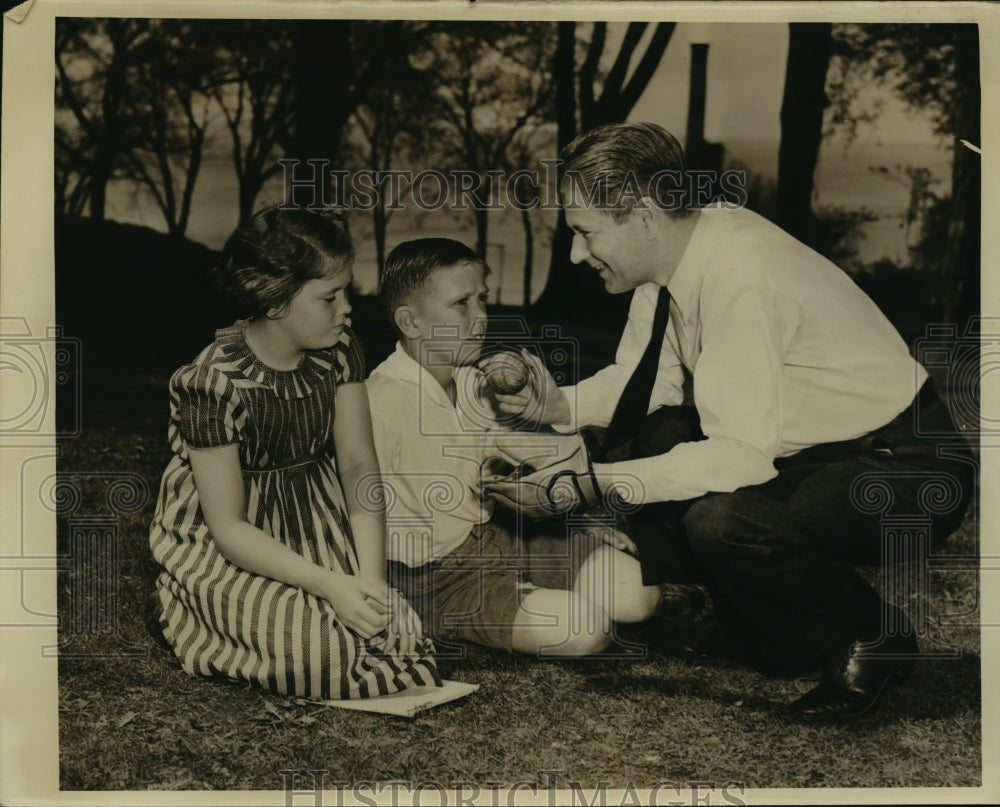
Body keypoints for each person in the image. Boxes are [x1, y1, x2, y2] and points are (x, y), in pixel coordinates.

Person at [484, 122, 975, 720]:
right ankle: (734, 616)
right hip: (822, 450)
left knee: (724, 521)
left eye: (586, 233)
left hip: (910, 466)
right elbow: (651, 384)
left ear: (641, 216)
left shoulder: (738, 275)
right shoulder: (677, 252)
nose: (577, 254)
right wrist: (559, 407)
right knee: (656, 438)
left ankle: (874, 633)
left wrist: (588, 485)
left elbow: (740, 454)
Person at [366, 237, 708, 658]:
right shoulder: (380, 402)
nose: (481, 317)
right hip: (434, 577)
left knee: (635, 597)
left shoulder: (475, 385)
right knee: (584, 631)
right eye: (461, 303)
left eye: (482, 299)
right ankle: (445, 616)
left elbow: (559, 460)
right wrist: (377, 595)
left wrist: (550, 410)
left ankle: (673, 602)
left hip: (504, 537)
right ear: (410, 321)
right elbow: (348, 511)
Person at [148, 206, 438, 700]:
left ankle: (327, 612)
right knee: (321, 655)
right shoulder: (211, 384)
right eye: (330, 296)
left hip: (315, 521)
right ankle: (180, 606)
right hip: (233, 542)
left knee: (397, 635)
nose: (347, 307)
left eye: (345, 290)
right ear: (276, 300)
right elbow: (229, 527)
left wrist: (368, 581)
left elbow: (358, 466)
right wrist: (329, 585)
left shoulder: (340, 351)